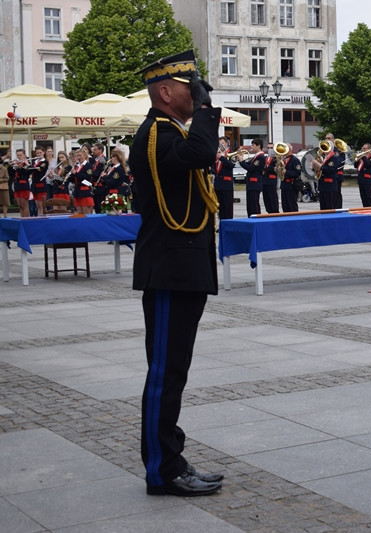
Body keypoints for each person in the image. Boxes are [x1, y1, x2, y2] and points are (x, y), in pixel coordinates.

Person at [130, 49, 223, 497]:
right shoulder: (156, 135)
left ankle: (171, 458)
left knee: (175, 372)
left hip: (182, 268)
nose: (198, 94)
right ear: (166, 93)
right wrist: (206, 108)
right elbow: (202, 152)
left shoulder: (170, 132)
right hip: (169, 270)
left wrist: (200, 107)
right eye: (192, 87)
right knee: (165, 374)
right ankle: (161, 470)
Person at [239, 138, 266, 217]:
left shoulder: (261, 157)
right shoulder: (256, 156)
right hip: (251, 184)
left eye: (253, 145)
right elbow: (248, 164)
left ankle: (256, 219)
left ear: (258, 146)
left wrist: (241, 161)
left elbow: (251, 168)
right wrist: (241, 158)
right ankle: (250, 218)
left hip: (255, 183)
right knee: (250, 205)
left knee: (254, 205)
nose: (252, 147)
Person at [213, 137, 235, 221]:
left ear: (226, 144)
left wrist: (221, 157)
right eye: (219, 144)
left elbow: (231, 165)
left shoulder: (231, 153)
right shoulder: (217, 154)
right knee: (220, 207)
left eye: (222, 143)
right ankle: (222, 223)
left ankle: (229, 223)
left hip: (226, 184)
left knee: (227, 207)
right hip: (218, 184)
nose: (220, 145)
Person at [71, 146, 95, 215]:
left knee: (86, 211)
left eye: (80, 155)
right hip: (77, 191)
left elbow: (87, 177)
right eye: (77, 156)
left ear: (85, 156)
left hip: (85, 191)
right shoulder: (76, 166)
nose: (79, 157)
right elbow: (74, 179)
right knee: (79, 212)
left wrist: (76, 173)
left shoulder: (88, 165)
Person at [279, 146, 302, 212]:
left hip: (291, 186)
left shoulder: (295, 160)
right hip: (284, 185)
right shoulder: (283, 159)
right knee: (285, 206)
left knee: (292, 206)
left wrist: (286, 172)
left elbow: (297, 173)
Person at [29, 146, 49, 216]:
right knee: (37, 206)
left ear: (43, 153)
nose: (39, 154)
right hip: (34, 185)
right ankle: (39, 217)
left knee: (41, 206)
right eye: (37, 153)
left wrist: (32, 167)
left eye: (40, 153)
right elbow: (31, 170)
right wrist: (28, 165)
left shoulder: (45, 162)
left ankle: (43, 218)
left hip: (41, 185)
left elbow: (40, 170)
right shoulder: (34, 162)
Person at [356, 143, 371, 207]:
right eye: (362, 148)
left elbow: (369, 164)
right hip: (361, 178)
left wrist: (363, 157)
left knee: (368, 195)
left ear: (369, 149)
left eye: (364, 149)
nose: (363, 150)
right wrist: (357, 159)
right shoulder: (362, 157)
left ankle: (370, 208)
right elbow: (355, 165)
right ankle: (364, 208)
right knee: (363, 196)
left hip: (367, 179)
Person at [91, 143, 108, 214]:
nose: (93, 151)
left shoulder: (103, 160)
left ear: (100, 150)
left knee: (100, 205)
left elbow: (101, 172)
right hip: (95, 185)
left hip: (101, 185)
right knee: (96, 206)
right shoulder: (96, 159)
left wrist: (91, 173)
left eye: (95, 150)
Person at [0, 153, 10, 217]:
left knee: (5, 202)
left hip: (4, 187)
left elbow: (7, 178)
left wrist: (0, 180)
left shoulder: (4, 169)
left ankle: (5, 215)